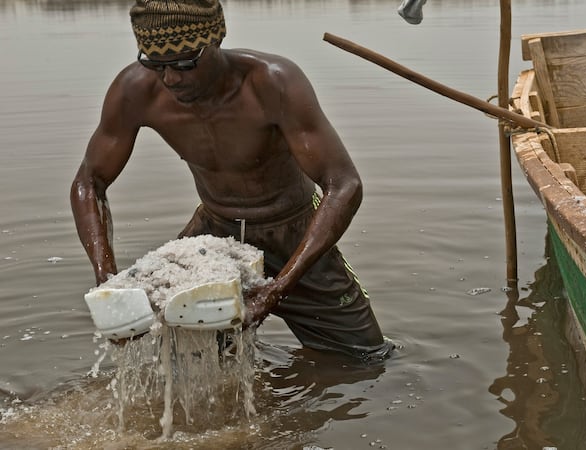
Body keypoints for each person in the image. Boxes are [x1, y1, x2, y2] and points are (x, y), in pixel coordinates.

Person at [70, 0, 393, 363]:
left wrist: (277, 289)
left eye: (185, 63)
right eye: (155, 65)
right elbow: (90, 181)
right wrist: (105, 277)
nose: (171, 79)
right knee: (177, 355)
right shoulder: (136, 91)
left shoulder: (272, 82)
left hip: (294, 232)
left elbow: (344, 184)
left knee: (365, 360)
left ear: (216, 41)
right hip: (212, 235)